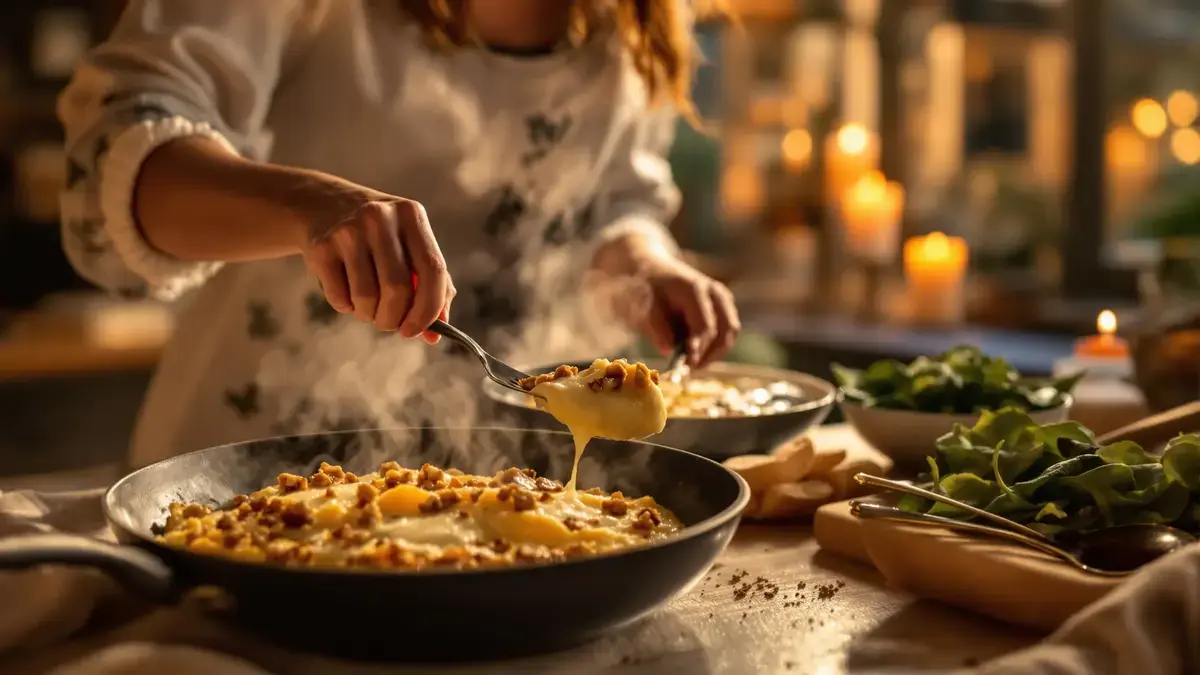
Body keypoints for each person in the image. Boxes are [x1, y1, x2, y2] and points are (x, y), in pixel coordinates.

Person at [58, 0, 741, 468]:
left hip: (504, 491)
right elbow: (112, 161)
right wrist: (311, 205)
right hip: (248, 477)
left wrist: (644, 265)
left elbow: (614, 201)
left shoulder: (634, 17)